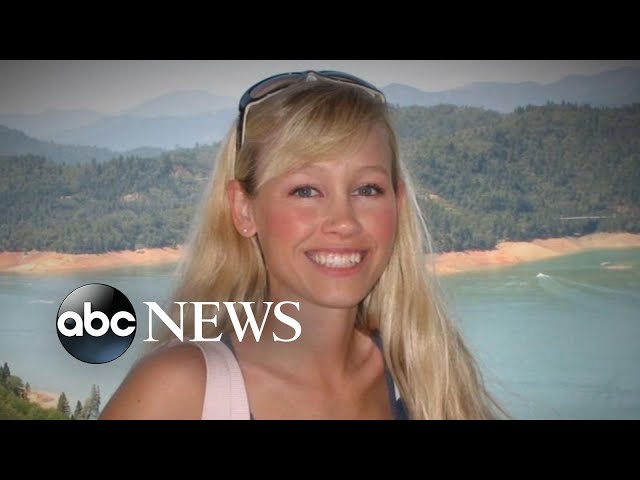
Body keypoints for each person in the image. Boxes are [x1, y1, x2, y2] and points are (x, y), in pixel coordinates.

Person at [99, 70, 504, 420]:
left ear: (397, 205)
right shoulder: (179, 390)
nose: (344, 221)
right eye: (306, 190)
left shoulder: (427, 372)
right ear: (244, 210)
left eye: (367, 189)